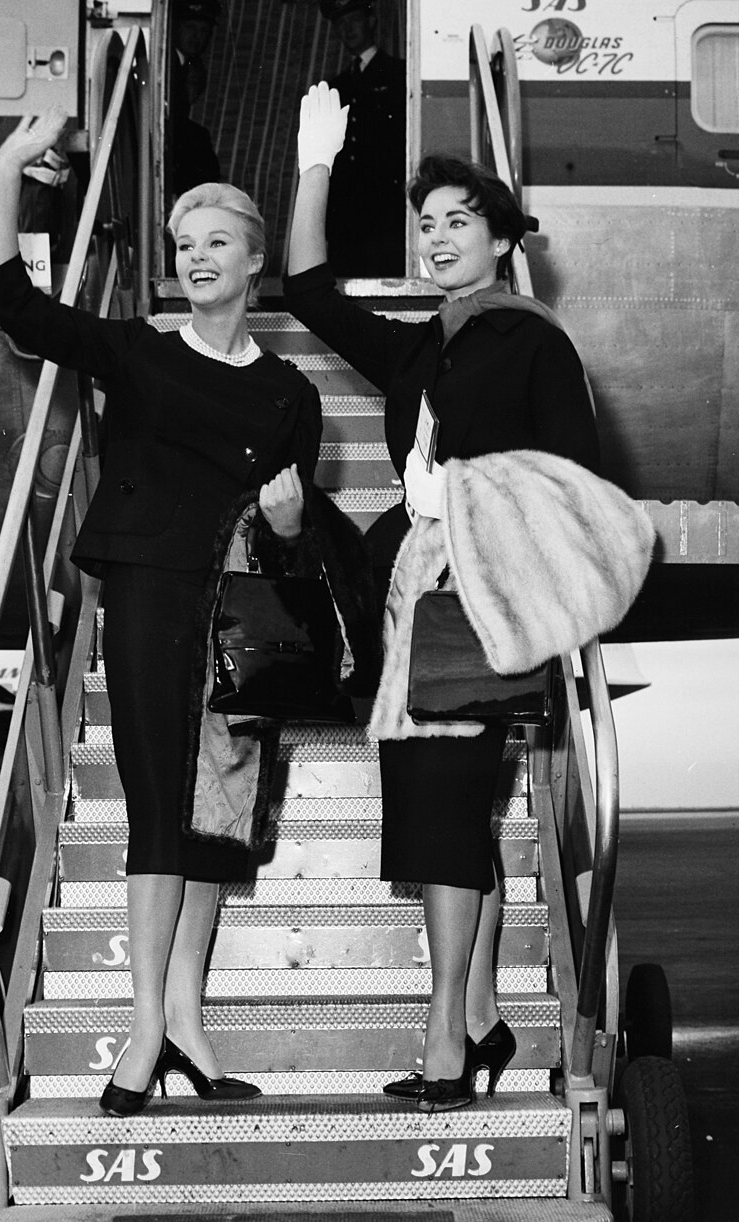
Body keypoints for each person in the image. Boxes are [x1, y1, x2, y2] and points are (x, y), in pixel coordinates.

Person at [0, 106, 324, 1117]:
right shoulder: (137, 350)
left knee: (217, 817)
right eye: (184, 244)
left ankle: (186, 1025)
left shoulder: (292, 393)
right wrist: (7, 170)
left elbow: (292, 538)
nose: (197, 255)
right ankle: (139, 1032)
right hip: (149, 586)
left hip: (238, 608)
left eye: (218, 241)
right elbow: (11, 301)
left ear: (256, 259)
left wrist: (294, 523)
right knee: (162, 803)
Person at [284, 84, 602, 1111]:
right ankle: (478, 1019)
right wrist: (316, 163)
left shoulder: (535, 344)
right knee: (441, 811)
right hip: (413, 597)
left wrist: (462, 494)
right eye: (425, 224)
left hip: (484, 595)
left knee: (444, 813)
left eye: (458, 220)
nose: (435, 238)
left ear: (507, 238)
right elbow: (305, 287)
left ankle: (445, 1043)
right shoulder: (423, 345)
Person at [319, 0, 406, 275]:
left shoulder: (399, 74)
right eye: (340, 24)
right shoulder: (335, 85)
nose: (347, 29)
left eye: (353, 20)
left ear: (371, 21)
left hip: (387, 211)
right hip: (345, 213)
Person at [170, 0, 223, 197]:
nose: (196, 36)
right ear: (175, 27)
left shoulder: (188, 65)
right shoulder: (170, 67)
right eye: (190, 27)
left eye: (203, 30)